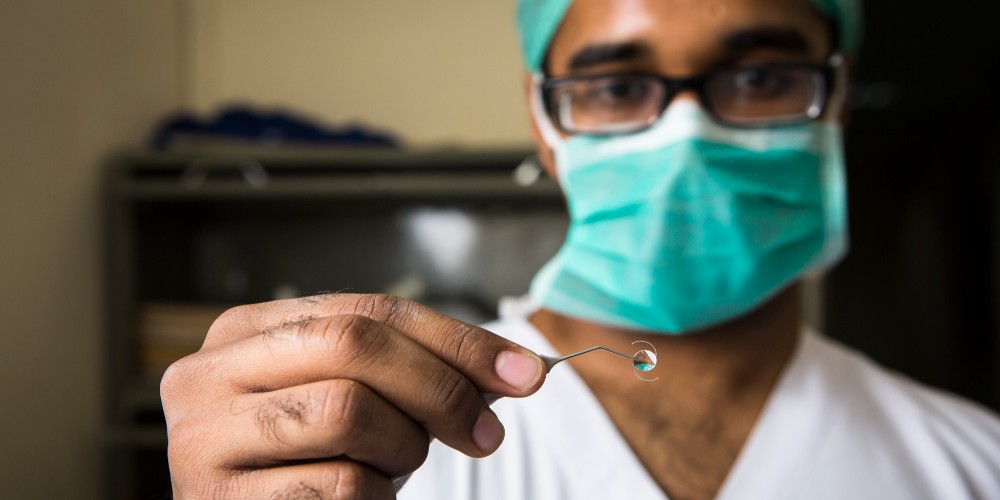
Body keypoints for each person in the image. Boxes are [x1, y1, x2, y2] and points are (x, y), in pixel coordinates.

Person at [159, 0, 1000, 498]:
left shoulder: (974, 465)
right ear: (546, 120)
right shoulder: (371, 450)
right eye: (618, 87)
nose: (685, 134)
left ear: (839, 95)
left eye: (757, 78)